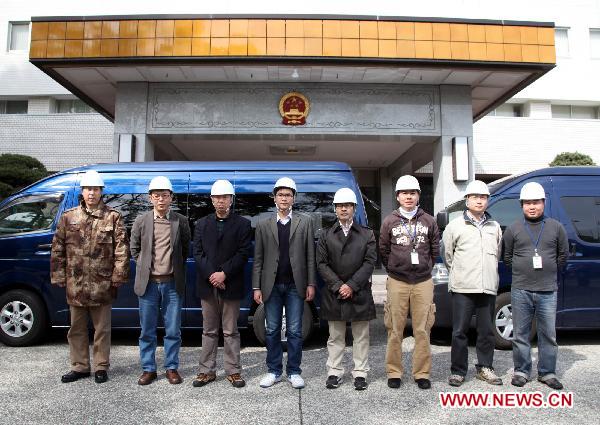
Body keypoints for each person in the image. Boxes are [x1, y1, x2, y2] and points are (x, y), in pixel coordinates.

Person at [51, 170, 129, 384]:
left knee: (102, 329)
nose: (91, 193)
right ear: (82, 192)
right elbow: (57, 248)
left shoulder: (112, 216)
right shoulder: (69, 217)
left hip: (102, 283)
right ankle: (80, 366)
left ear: (101, 192)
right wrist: (59, 275)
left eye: (95, 189)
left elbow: (121, 249)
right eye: (88, 189)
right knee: (76, 328)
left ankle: (101, 366)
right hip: (75, 283)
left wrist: (118, 276)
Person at [502, 181, 569, 390]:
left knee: (548, 334)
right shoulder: (513, 229)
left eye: (536, 202)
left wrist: (546, 271)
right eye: (528, 203)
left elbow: (562, 256)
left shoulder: (556, 227)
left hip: (548, 290)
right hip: (521, 289)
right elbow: (507, 257)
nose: (532, 207)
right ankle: (521, 371)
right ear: (522, 205)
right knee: (520, 333)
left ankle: (547, 372)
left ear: (544, 203)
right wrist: (524, 270)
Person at [252, 177, 316, 389]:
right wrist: (256, 287)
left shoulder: (304, 222)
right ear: (274, 198)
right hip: (271, 285)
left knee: (295, 331)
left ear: (294, 198)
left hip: (295, 285)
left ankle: (294, 371)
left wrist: (311, 284)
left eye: (288, 195)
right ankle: (274, 371)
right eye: (280, 194)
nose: (284, 198)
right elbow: (258, 259)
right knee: (271, 330)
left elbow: (309, 256)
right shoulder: (263, 225)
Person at [379, 175, 439, 390]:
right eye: (404, 193)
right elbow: (384, 250)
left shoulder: (429, 221)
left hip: (423, 281)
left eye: (412, 193)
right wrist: (395, 268)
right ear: (397, 196)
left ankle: (421, 372)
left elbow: (434, 250)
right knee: (395, 329)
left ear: (418, 196)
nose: (408, 197)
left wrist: (424, 268)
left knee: (422, 329)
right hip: (397, 281)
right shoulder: (389, 221)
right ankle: (394, 371)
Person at [130, 176, 191, 386]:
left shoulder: (180, 221)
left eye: (165, 195)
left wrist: (172, 268)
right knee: (147, 330)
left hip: (173, 283)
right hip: (148, 284)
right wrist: (146, 265)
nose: (161, 200)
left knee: (173, 329)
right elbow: (134, 249)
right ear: (150, 198)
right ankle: (148, 369)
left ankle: (171, 368)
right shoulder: (141, 220)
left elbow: (185, 249)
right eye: (157, 196)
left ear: (171, 197)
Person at [442, 180, 503, 387]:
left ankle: (485, 367)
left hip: (487, 286)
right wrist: (461, 274)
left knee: (486, 331)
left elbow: (498, 253)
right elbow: (448, 255)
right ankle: (458, 371)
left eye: (483, 197)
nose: (479, 201)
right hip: (463, 286)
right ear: (466, 200)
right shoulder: (455, 226)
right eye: (475, 197)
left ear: (487, 201)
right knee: (459, 331)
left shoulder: (494, 226)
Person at [192, 180, 252, 388]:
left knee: (230, 331)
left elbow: (244, 253)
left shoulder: (243, 224)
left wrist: (224, 273)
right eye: (217, 197)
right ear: (211, 200)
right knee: (209, 330)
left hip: (231, 283)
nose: (221, 201)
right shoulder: (201, 224)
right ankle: (206, 371)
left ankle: (233, 371)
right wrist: (213, 275)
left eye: (225, 197)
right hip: (207, 285)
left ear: (231, 200)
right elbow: (197, 253)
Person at [317, 188, 377, 391]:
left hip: (358, 291)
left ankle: (360, 373)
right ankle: (334, 371)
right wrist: (338, 285)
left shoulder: (366, 234)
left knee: (361, 336)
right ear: (335, 209)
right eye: (340, 206)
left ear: (354, 208)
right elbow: (321, 264)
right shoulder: (326, 234)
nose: (344, 209)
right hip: (335, 292)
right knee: (335, 337)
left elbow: (370, 262)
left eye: (348, 205)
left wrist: (351, 285)